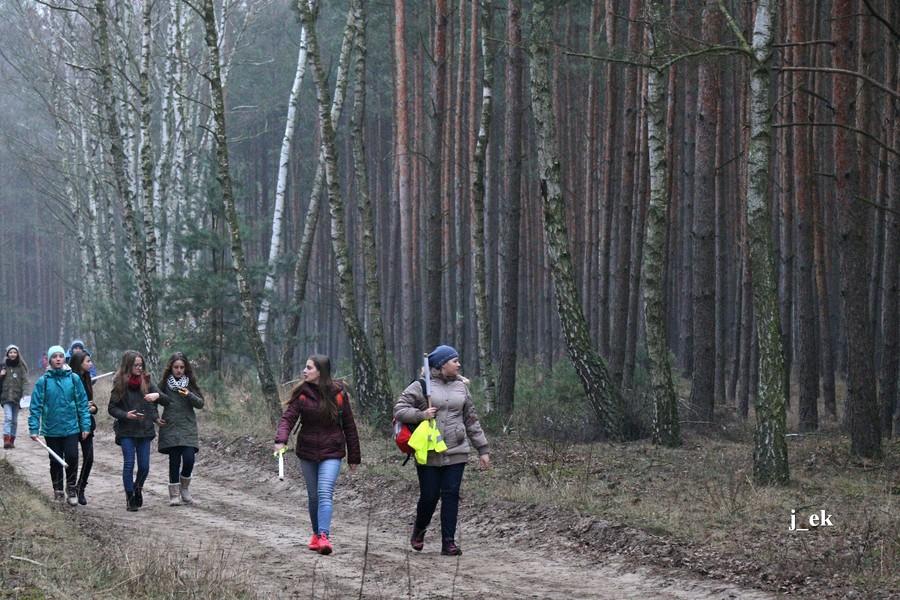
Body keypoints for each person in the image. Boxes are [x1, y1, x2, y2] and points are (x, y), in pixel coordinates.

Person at [393, 345, 490, 556]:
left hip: (457, 449)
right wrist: (421, 415)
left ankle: (449, 542)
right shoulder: (421, 386)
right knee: (429, 496)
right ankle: (419, 531)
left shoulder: (462, 388)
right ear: (441, 364)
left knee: (451, 495)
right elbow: (399, 410)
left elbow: (471, 419)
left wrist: (482, 449)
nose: (459, 364)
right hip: (429, 451)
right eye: (454, 361)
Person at [273, 355, 360, 555]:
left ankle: (324, 535)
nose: (304, 371)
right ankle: (315, 533)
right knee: (313, 497)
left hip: (332, 451)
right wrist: (281, 440)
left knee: (324, 492)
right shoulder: (302, 394)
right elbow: (288, 419)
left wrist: (354, 456)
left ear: (320, 371)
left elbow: (349, 426)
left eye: (309, 368)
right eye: (305, 367)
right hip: (308, 451)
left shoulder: (339, 394)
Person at [27, 345, 92, 505]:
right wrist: (34, 428)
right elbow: (35, 406)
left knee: (72, 456)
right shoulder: (43, 382)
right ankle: (58, 490)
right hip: (51, 429)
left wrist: (85, 425)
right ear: (49, 360)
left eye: (60, 356)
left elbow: (82, 404)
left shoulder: (74, 379)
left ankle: (71, 489)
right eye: (54, 356)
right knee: (55, 460)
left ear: (64, 359)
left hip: (71, 427)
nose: (58, 359)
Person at [107, 350, 168, 511]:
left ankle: (138, 488)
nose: (139, 368)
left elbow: (164, 399)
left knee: (144, 467)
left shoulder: (147, 382)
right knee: (129, 464)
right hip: (126, 430)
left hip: (144, 430)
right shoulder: (119, 383)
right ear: (128, 366)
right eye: (136, 365)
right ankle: (129, 496)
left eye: (141, 365)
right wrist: (126, 415)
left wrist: (156, 396)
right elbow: (112, 408)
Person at [157, 352, 204, 506]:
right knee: (174, 461)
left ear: (185, 368)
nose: (179, 370)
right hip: (170, 426)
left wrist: (189, 394)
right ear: (171, 368)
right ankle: (174, 495)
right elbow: (153, 399)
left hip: (187, 427)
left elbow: (200, 403)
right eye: (176, 367)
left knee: (189, 459)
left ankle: (185, 488)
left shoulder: (189, 383)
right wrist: (155, 418)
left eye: (182, 367)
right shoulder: (164, 384)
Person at [68, 350, 99, 504]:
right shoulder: (70, 380)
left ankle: (81, 487)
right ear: (79, 363)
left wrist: (93, 408)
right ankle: (71, 487)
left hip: (87, 424)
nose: (90, 364)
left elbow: (91, 403)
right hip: (72, 425)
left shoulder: (87, 378)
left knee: (89, 458)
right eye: (88, 361)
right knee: (73, 458)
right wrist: (80, 407)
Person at [2, 344, 29, 449]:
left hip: (17, 398)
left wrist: (25, 394)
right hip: (6, 397)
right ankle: (6, 440)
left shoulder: (21, 367)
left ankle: (12, 439)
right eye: (10, 352)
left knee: (14, 420)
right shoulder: (3, 366)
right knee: (8, 418)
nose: (12, 354)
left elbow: (25, 381)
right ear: (7, 354)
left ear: (18, 354)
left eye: (14, 352)